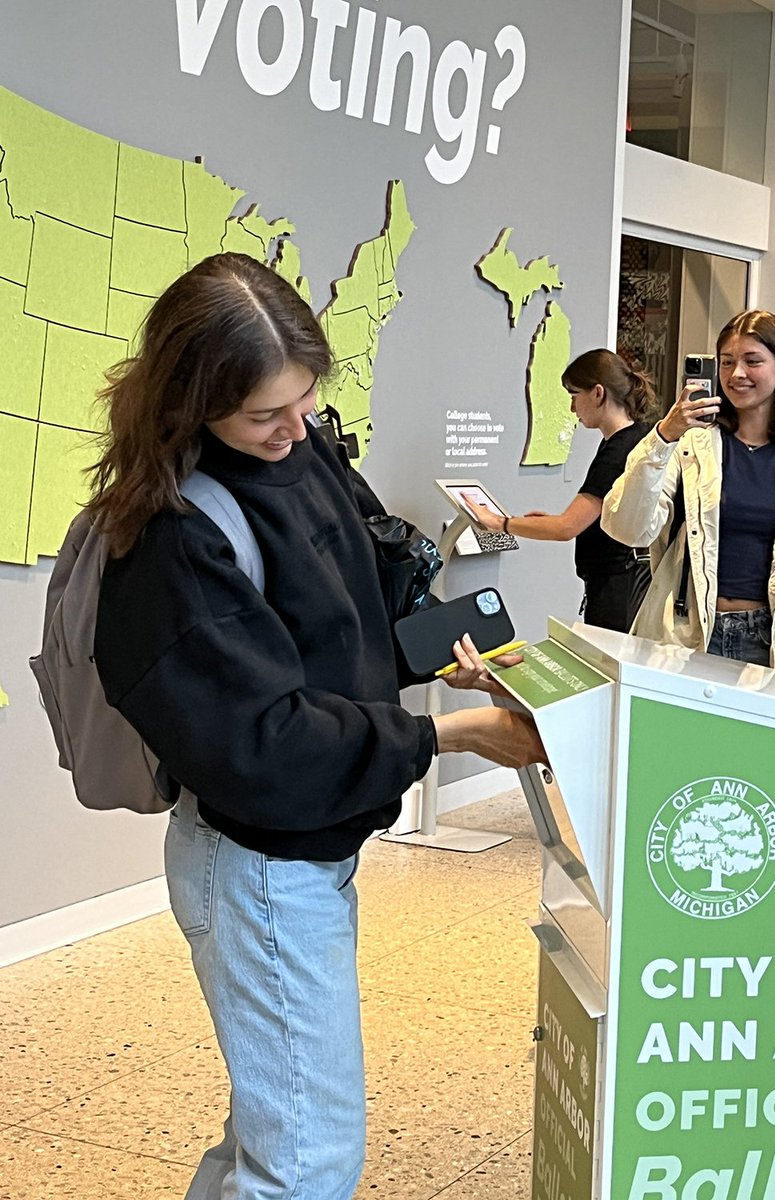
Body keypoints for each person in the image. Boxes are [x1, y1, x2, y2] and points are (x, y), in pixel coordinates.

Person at [88, 252, 543, 1200]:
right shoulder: (173, 539)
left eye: (306, 402)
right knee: (305, 1162)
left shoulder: (305, 456)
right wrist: (447, 738)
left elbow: (351, 620)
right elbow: (268, 743)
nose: (295, 430)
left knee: (271, 1137)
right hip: (258, 868)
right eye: (265, 415)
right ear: (191, 401)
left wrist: (440, 649)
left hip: (308, 855)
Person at [601, 309, 775, 681]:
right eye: (727, 362)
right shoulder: (688, 449)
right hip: (685, 635)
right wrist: (664, 435)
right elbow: (627, 528)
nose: (736, 374)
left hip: (767, 645)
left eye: (752, 361)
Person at [463, 348, 657, 632]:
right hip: (622, 584)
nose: (572, 408)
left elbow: (567, 528)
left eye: (574, 395)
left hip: (617, 589)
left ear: (598, 393)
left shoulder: (619, 451)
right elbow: (596, 516)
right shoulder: (634, 437)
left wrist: (499, 523)